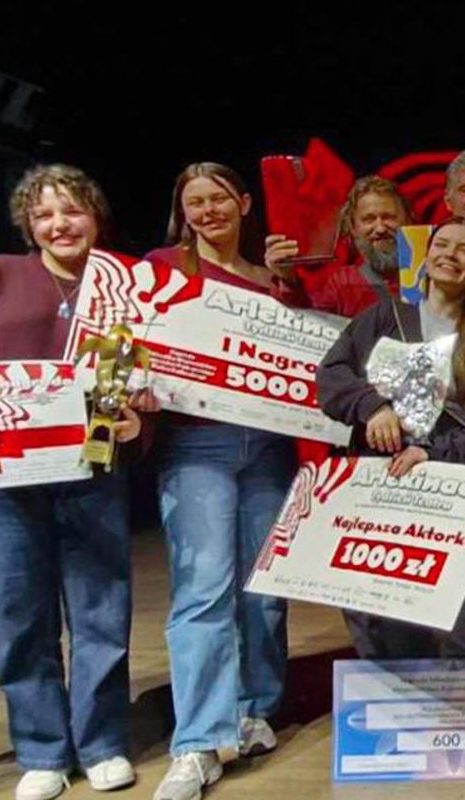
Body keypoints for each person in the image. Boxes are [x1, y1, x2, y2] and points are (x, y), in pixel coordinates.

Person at [0, 164, 143, 800]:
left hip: (94, 473)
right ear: (27, 224)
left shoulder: (126, 284)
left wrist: (139, 419)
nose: (60, 224)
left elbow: (151, 369)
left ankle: (103, 742)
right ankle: (43, 750)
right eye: (44, 214)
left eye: (72, 210)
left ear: (95, 216)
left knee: (101, 613)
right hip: (8, 480)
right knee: (20, 617)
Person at [142, 163, 306, 800]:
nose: (208, 212)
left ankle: (254, 709)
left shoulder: (270, 281)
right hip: (196, 445)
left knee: (263, 588)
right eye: (194, 203)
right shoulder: (164, 267)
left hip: (267, 446)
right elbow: (129, 341)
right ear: (183, 211)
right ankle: (196, 743)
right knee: (204, 590)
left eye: (218, 200)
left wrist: (291, 287)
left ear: (243, 203)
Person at [315, 216, 465, 658]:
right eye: (442, 245)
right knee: (382, 612)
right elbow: (331, 377)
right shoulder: (386, 317)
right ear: (425, 259)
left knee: (459, 609)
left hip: (448, 492)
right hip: (380, 486)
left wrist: (430, 451)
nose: (450, 254)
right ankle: (398, 708)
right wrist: (372, 407)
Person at [294, 176, 411, 318]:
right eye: (369, 219)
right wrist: (287, 280)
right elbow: (307, 323)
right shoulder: (340, 285)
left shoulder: (431, 274)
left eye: (388, 217)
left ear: (407, 221)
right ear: (353, 228)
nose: (380, 228)